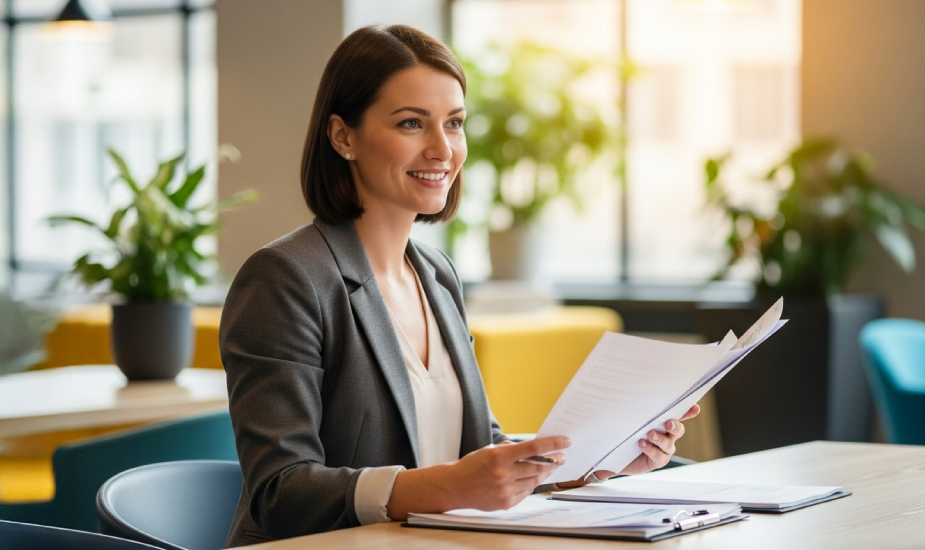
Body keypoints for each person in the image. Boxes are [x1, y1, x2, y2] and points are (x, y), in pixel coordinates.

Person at [219, 24, 699, 547]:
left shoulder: (437, 276)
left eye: (454, 123)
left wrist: (597, 459)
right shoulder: (286, 279)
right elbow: (280, 492)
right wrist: (443, 485)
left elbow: (477, 448)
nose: (442, 149)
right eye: (411, 124)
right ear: (343, 137)